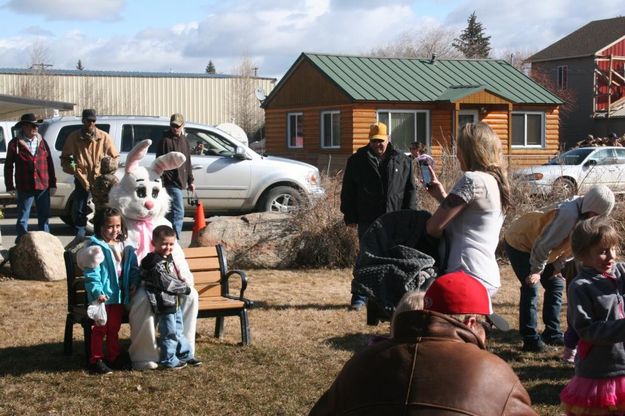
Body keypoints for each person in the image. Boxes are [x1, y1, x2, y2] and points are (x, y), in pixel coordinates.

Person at [309, 270, 537, 415]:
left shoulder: (361, 363)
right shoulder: (495, 373)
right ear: (470, 322)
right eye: (486, 327)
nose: (487, 337)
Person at [504, 185, 615, 352]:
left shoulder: (586, 220)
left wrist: (558, 265)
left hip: (540, 248)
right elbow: (543, 244)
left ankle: (552, 333)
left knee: (556, 285)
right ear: (590, 207)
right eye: (596, 214)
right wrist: (536, 271)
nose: (597, 218)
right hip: (521, 242)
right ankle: (530, 339)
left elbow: (573, 248)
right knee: (531, 286)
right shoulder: (568, 214)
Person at [425, 122, 510, 296]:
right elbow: (473, 220)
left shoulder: (472, 180)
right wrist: (441, 196)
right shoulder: (496, 182)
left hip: (464, 273)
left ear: (470, 151)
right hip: (485, 274)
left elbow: (433, 227)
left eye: (459, 148)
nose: (456, 154)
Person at [340, 121, 417, 310]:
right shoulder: (357, 160)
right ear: (369, 140)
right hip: (368, 219)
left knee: (395, 258)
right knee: (367, 257)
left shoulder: (403, 160)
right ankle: (360, 297)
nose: (378, 145)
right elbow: (348, 191)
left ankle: (392, 297)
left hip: (395, 219)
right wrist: (349, 215)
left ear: (388, 139)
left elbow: (410, 191)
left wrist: (411, 218)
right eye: (374, 141)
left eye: (381, 141)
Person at [560, 217, 625, 415]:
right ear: (582, 255)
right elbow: (587, 329)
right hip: (599, 371)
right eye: (602, 251)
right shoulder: (580, 287)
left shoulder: (620, 272)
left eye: (613, 248)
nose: (611, 256)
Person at [83, 207, 139, 374]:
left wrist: (134, 282)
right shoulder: (96, 247)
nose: (114, 230)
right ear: (100, 226)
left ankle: (113, 357)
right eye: (110, 226)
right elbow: (92, 272)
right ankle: (96, 359)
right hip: (102, 297)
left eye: (117, 226)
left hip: (119, 296)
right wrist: (97, 291)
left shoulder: (125, 246)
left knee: (114, 328)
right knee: (100, 328)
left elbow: (133, 268)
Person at [140, 225, 201, 369]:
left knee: (178, 329)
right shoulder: (154, 261)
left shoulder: (168, 257)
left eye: (171, 244)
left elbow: (174, 274)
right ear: (154, 243)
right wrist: (184, 288)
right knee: (169, 332)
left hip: (174, 302)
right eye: (164, 244)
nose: (168, 247)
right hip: (163, 303)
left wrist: (182, 278)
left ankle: (184, 354)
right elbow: (166, 282)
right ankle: (169, 359)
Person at [60, 109, 119, 240]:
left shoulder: (103, 137)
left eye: (93, 121)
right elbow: (65, 158)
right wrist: (75, 169)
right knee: (80, 207)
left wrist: (107, 168)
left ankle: (100, 233)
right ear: (83, 121)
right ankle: (80, 233)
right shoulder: (74, 137)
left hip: (100, 179)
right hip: (81, 178)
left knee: (102, 207)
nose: (91, 123)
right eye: (88, 121)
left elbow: (115, 157)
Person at [4, 113, 56, 243]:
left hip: (42, 185)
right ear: (25, 127)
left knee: (44, 216)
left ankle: (45, 242)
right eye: (33, 126)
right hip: (24, 186)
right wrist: (10, 186)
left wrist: (53, 184)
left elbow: (50, 164)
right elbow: (8, 167)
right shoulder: (15, 144)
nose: (36, 128)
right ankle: (21, 242)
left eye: (37, 126)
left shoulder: (42, 142)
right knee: (23, 217)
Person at [156, 113, 194, 239]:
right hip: (170, 182)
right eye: (173, 125)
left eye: (178, 126)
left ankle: (165, 238)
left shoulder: (184, 141)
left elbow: (187, 162)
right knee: (179, 212)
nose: (175, 128)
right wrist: (162, 181)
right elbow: (159, 161)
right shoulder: (165, 140)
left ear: (183, 125)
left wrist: (190, 181)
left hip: (181, 181)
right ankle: (175, 239)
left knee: (170, 212)